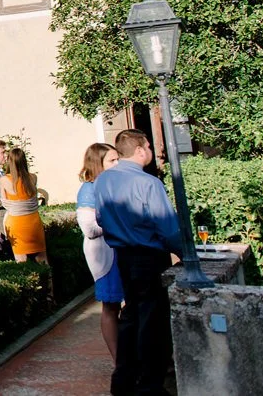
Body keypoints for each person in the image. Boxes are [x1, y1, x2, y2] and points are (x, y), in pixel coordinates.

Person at [95, 129, 184, 396]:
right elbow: (167, 228)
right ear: (140, 149)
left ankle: (123, 379)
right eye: (148, 146)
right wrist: (186, 253)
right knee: (152, 320)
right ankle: (149, 385)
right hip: (148, 255)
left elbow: (100, 218)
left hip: (122, 255)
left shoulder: (103, 181)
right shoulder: (149, 183)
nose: (151, 151)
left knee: (131, 316)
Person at [76, 142, 122, 361]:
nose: (117, 163)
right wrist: (120, 222)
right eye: (112, 160)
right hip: (105, 254)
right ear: (98, 164)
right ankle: (119, 359)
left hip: (122, 249)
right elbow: (89, 228)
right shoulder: (89, 189)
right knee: (111, 305)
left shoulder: (117, 184)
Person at [0, 147, 48, 267]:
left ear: (10, 161)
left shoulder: (4, 180)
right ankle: (49, 283)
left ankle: (28, 284)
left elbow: (4, 201)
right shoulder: (33, 177)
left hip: (16, 222)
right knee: (42, 258)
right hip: (33, 221)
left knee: (21, 259)